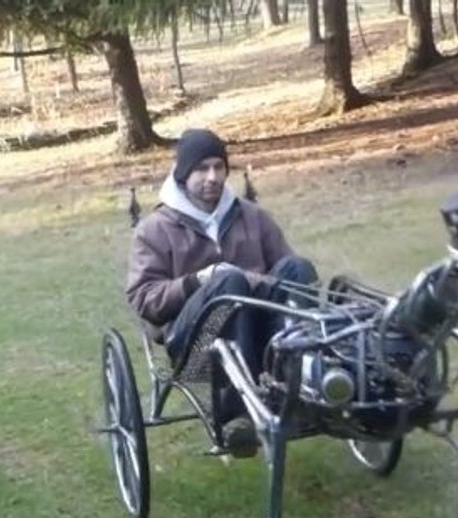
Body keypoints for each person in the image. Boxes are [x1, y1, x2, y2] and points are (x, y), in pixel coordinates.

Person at [125, 128, 318, 456]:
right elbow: (145, 300)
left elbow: (288, 276)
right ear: (183, 174)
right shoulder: (154, 230)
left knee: (298, 268)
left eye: (219, 166)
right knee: (228, 283)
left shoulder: (252, 217)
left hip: (261, 338)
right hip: (197, 348)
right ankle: (234, 417)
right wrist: (197, 281)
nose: (212, 177)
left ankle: (303, 379)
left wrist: (252, 281)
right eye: (201, 169)